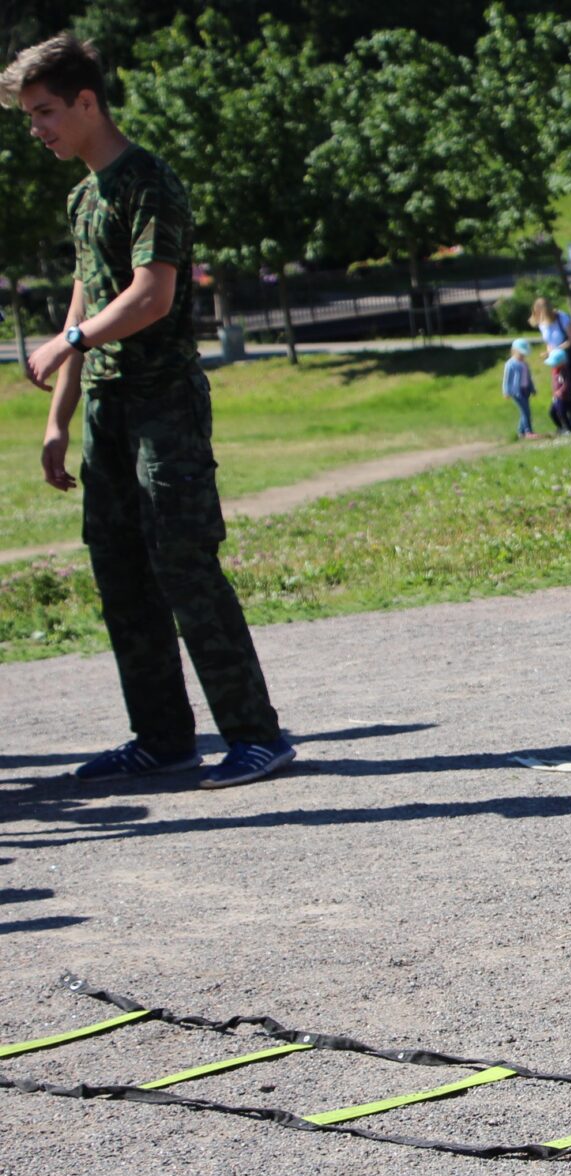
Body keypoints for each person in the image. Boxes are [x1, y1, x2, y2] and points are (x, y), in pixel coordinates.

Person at [7, 34, 293, 788]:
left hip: (162, 400)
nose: (37, 129)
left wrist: (67, 339)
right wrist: (57, 418)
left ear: (87, 102)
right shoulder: (82, 195)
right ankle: (161, 736)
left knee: (184, 563)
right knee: (120, 573)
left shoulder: (148, 180)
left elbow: (149, 295)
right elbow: (87, 295)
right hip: (105, 406)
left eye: (45, 113)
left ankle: (256, 734)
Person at [531, 295, 571, 432]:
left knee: (565, 391)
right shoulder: (542, 324)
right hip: (557, 360)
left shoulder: (561, 317)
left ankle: (569, 423)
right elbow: (549, 342)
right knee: (567, 392)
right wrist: (548, 352)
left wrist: (557, 349)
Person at [503, 338, 537, 438]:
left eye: (524, 355)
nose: (522, 356)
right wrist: (506, 391)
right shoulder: (510, 364)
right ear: (514, 351)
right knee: (526, 411)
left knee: (525, 411)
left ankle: (521, 432)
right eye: (520, 354)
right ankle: (528, 431)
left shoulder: (525, 364)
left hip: (525, 390)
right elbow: (507, 379)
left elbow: (528, 378)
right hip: (516, 392)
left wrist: (532, 388)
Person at [545, 346, 571, 433]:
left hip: (563, 397)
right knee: (552, 412)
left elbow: (567, 383)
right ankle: (561, 427)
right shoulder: (555, 370)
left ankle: (568, 429)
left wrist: (561, 391)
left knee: (562, 413)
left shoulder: (564, 371)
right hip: (556, 396)